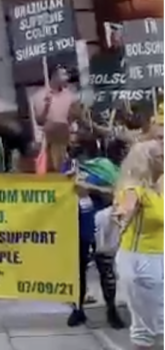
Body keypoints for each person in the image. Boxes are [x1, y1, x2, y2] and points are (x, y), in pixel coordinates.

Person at [61, 136, 123, 329]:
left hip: (101, 226)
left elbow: (115, 194)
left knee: (106, 270)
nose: (71, 149)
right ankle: (78, 310)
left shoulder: (104, 167)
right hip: (77, 226)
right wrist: (65, 184)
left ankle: (112, 310)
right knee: (77, 271)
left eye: (76, 146)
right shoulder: (67, 168)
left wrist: (90, 188)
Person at [112, 141, 164, 350]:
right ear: (148, 161)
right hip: (140, 261)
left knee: (156, 324)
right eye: (161, 156)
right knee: (148, 326)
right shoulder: (135, 188)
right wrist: (121, 215)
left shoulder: (158, 188)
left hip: (158, 257)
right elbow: (126, 207)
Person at [31, 65, 81, 131]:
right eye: (64, 74)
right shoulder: (39, 96)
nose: (67, 78)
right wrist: (46, 107)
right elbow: (40, 121)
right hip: (49, 135)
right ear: (54, 76)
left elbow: (72, 119)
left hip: (67, 134)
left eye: (67, 75)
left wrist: (75, 112)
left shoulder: (69, 95)